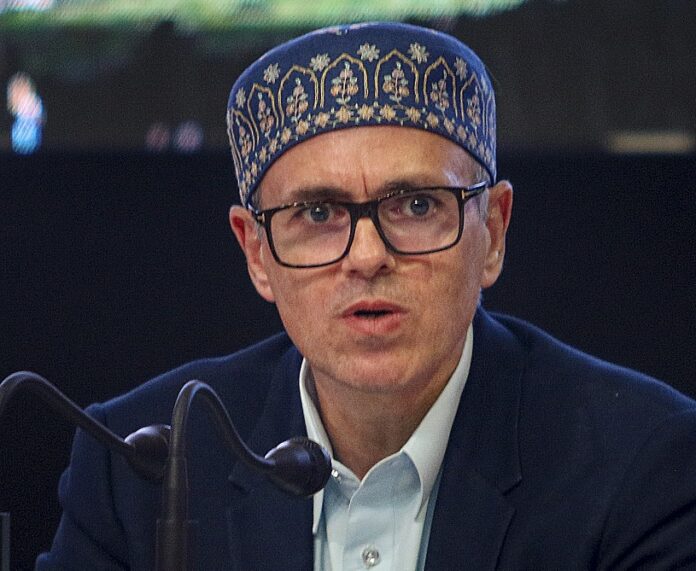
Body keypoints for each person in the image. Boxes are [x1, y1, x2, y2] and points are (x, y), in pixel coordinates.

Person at [37, 22, 696, 570]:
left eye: (417, 205)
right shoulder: (141, 463)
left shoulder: (645, 464)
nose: (367, 256)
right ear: (256, 252)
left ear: (493, 233)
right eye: (318, 213)